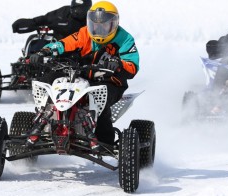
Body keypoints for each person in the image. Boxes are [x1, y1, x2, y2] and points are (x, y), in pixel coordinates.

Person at [28, 1, 140, 147]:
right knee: (48, 82)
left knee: (99, 100)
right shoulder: (84, 33)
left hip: (110, 81)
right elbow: (64, 44)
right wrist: (46, 51)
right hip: (83, 74)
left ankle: (105, 139)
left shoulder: (125, 39)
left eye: (103, 25)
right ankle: (42, 125)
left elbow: (132, 67)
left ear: (114, 24)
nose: (98, 29)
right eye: (95, 25)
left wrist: (119, 64)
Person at [12, 0, 92, 54]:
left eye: (80, 10)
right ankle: (28, 61)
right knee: (36, 39)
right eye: (74, 9)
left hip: (77, 52)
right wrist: (31, 22)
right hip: (55, 46)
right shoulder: (63, 13)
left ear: (87, 10)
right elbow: (45, 19)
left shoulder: (91, 20)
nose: (76, 12)